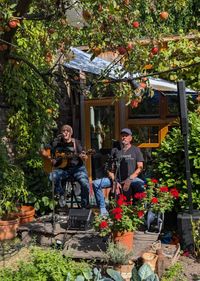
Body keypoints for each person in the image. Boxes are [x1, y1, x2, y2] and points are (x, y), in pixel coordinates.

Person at [92, 128, 144, 215]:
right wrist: (115, 181)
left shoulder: (136, 150)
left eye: (126, 136)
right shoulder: (116, 151)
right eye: (122, 136)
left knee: (141, 185)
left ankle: (139, 211)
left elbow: (140, 167)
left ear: (130, 138)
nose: (124, 138)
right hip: (116, 180)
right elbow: (109, 169)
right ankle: (103, 210)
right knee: (96, 184)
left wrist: (130, 179)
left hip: (131, 179)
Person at [41, 124, 90, 208]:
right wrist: (50, 158)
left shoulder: (76, 143)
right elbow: (43, 150)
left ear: (71, 133)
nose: (65, 133)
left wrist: (84, 157)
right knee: (52, 176)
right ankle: (61, 194)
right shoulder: (57, 143)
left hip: (78, 169)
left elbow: (84, 156)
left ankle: (84, 207)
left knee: (85, 183)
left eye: (67, 131)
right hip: (64, 170)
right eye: (63, 131)